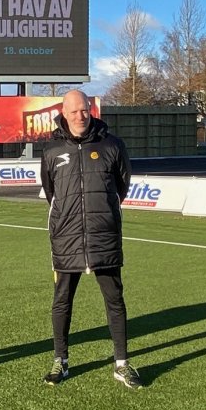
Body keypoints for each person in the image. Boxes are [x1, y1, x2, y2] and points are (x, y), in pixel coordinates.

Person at [40, 89, 141, 389]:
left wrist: (102, 213)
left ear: (90, 109)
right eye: (73, 111)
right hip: (66, 239)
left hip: (104, 237)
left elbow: (121, 187)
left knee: (115, 300)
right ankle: (61, 361)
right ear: (64, 113)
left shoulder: (112, 145)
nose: (79, 116)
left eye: (84, 110)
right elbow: (52, 194)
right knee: (62, 302)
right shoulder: (52, 151)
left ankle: (121, 364)